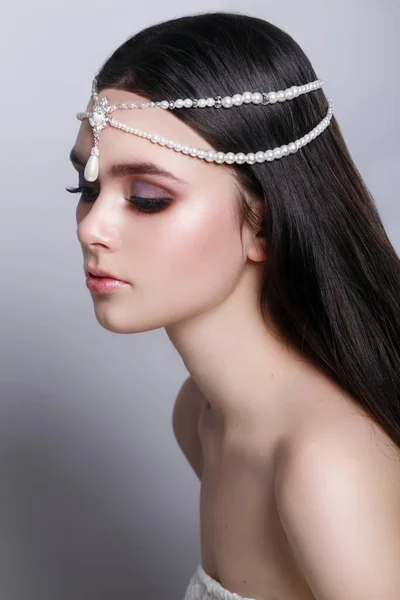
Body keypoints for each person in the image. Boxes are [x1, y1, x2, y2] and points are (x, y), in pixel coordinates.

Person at [67, 11, 400, 600]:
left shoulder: (323, 465)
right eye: (87, 188)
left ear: (262, 224)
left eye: (146, 198)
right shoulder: (201, 415)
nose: (92, 227)